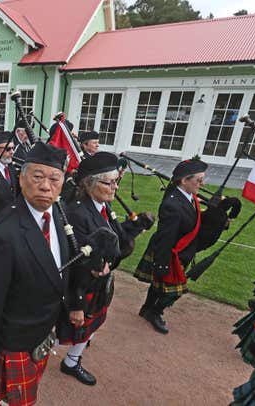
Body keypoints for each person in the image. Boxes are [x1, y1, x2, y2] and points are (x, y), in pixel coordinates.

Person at [0, 142, 69, 406]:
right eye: (37, 177)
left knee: (21, 392)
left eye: (54, 179)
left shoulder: (58, 215)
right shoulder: (2, 233)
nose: (46, 186)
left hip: (44, 329)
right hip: (14, 338)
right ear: (21, 178)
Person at [56, 152, 153, 385]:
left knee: (91, 326)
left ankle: (71, 361)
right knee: (72, 326)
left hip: (99, 282)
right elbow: (79, 263)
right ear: (90, 183)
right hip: (82, 285)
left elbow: (114, 240)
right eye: (109, 182)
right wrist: (76, 305)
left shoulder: (102, 205)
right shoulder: (78, 214)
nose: (115, 188)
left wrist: (134, 227)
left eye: (116, 181)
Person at [134, 158, 208, 334]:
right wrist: (162, 264)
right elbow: (166, 237)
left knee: (158, 285)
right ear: (184, 181)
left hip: (181, 251)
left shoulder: (188, 197)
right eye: (199, 180)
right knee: (175, 290)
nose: (202, 183)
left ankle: (146, 308)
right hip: (169, 252)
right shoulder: (173, 205)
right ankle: (155, 312)